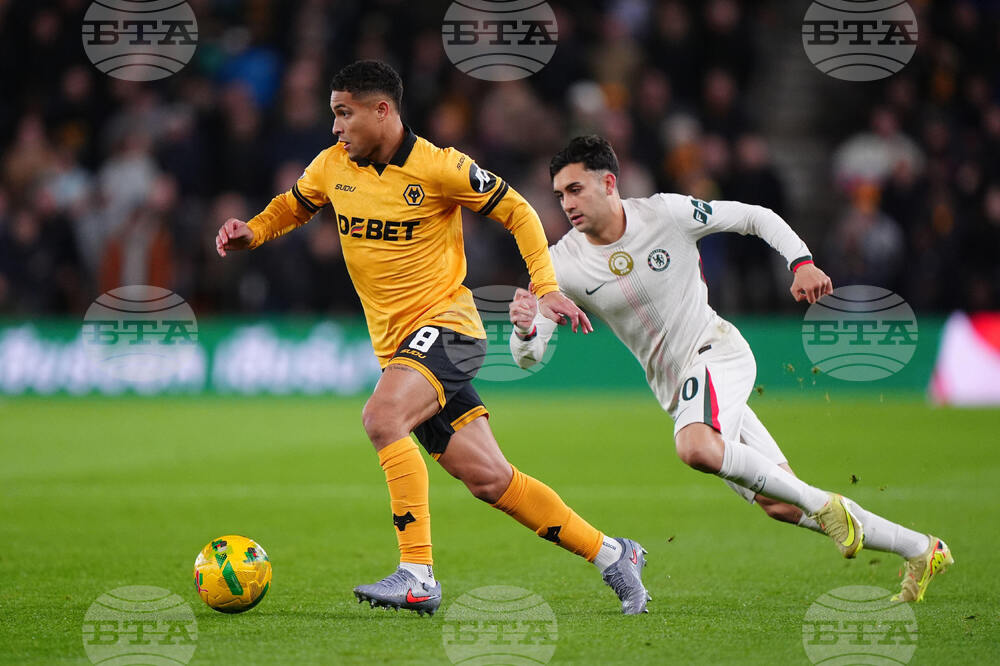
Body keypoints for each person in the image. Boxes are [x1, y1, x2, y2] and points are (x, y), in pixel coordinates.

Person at [215, 62, 650, 616]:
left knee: (382, 418)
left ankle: (417, 573)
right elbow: (294, 205)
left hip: (449, 330)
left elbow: (518, 210)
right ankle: (614, 554)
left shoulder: (440, 168)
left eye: (344, 113)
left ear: (382, 111)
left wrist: (544, 288)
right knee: (492, 480)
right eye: (332, 114)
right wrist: (254, 230)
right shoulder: (331, 167)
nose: (335, 128)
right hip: (401, 350)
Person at [509, 135, 952, 603]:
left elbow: (753, 216)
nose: (566, 203)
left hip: (716, 352)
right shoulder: (559, 263)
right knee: (780, 502)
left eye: (575, 189)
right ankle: (922, 549)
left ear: (609, 182)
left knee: (696, 447)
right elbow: (530, 356)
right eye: (560, 194)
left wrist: (801, 262)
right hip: (680, 391)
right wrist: (523, 331)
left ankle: (826, 504)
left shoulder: (666, 214)